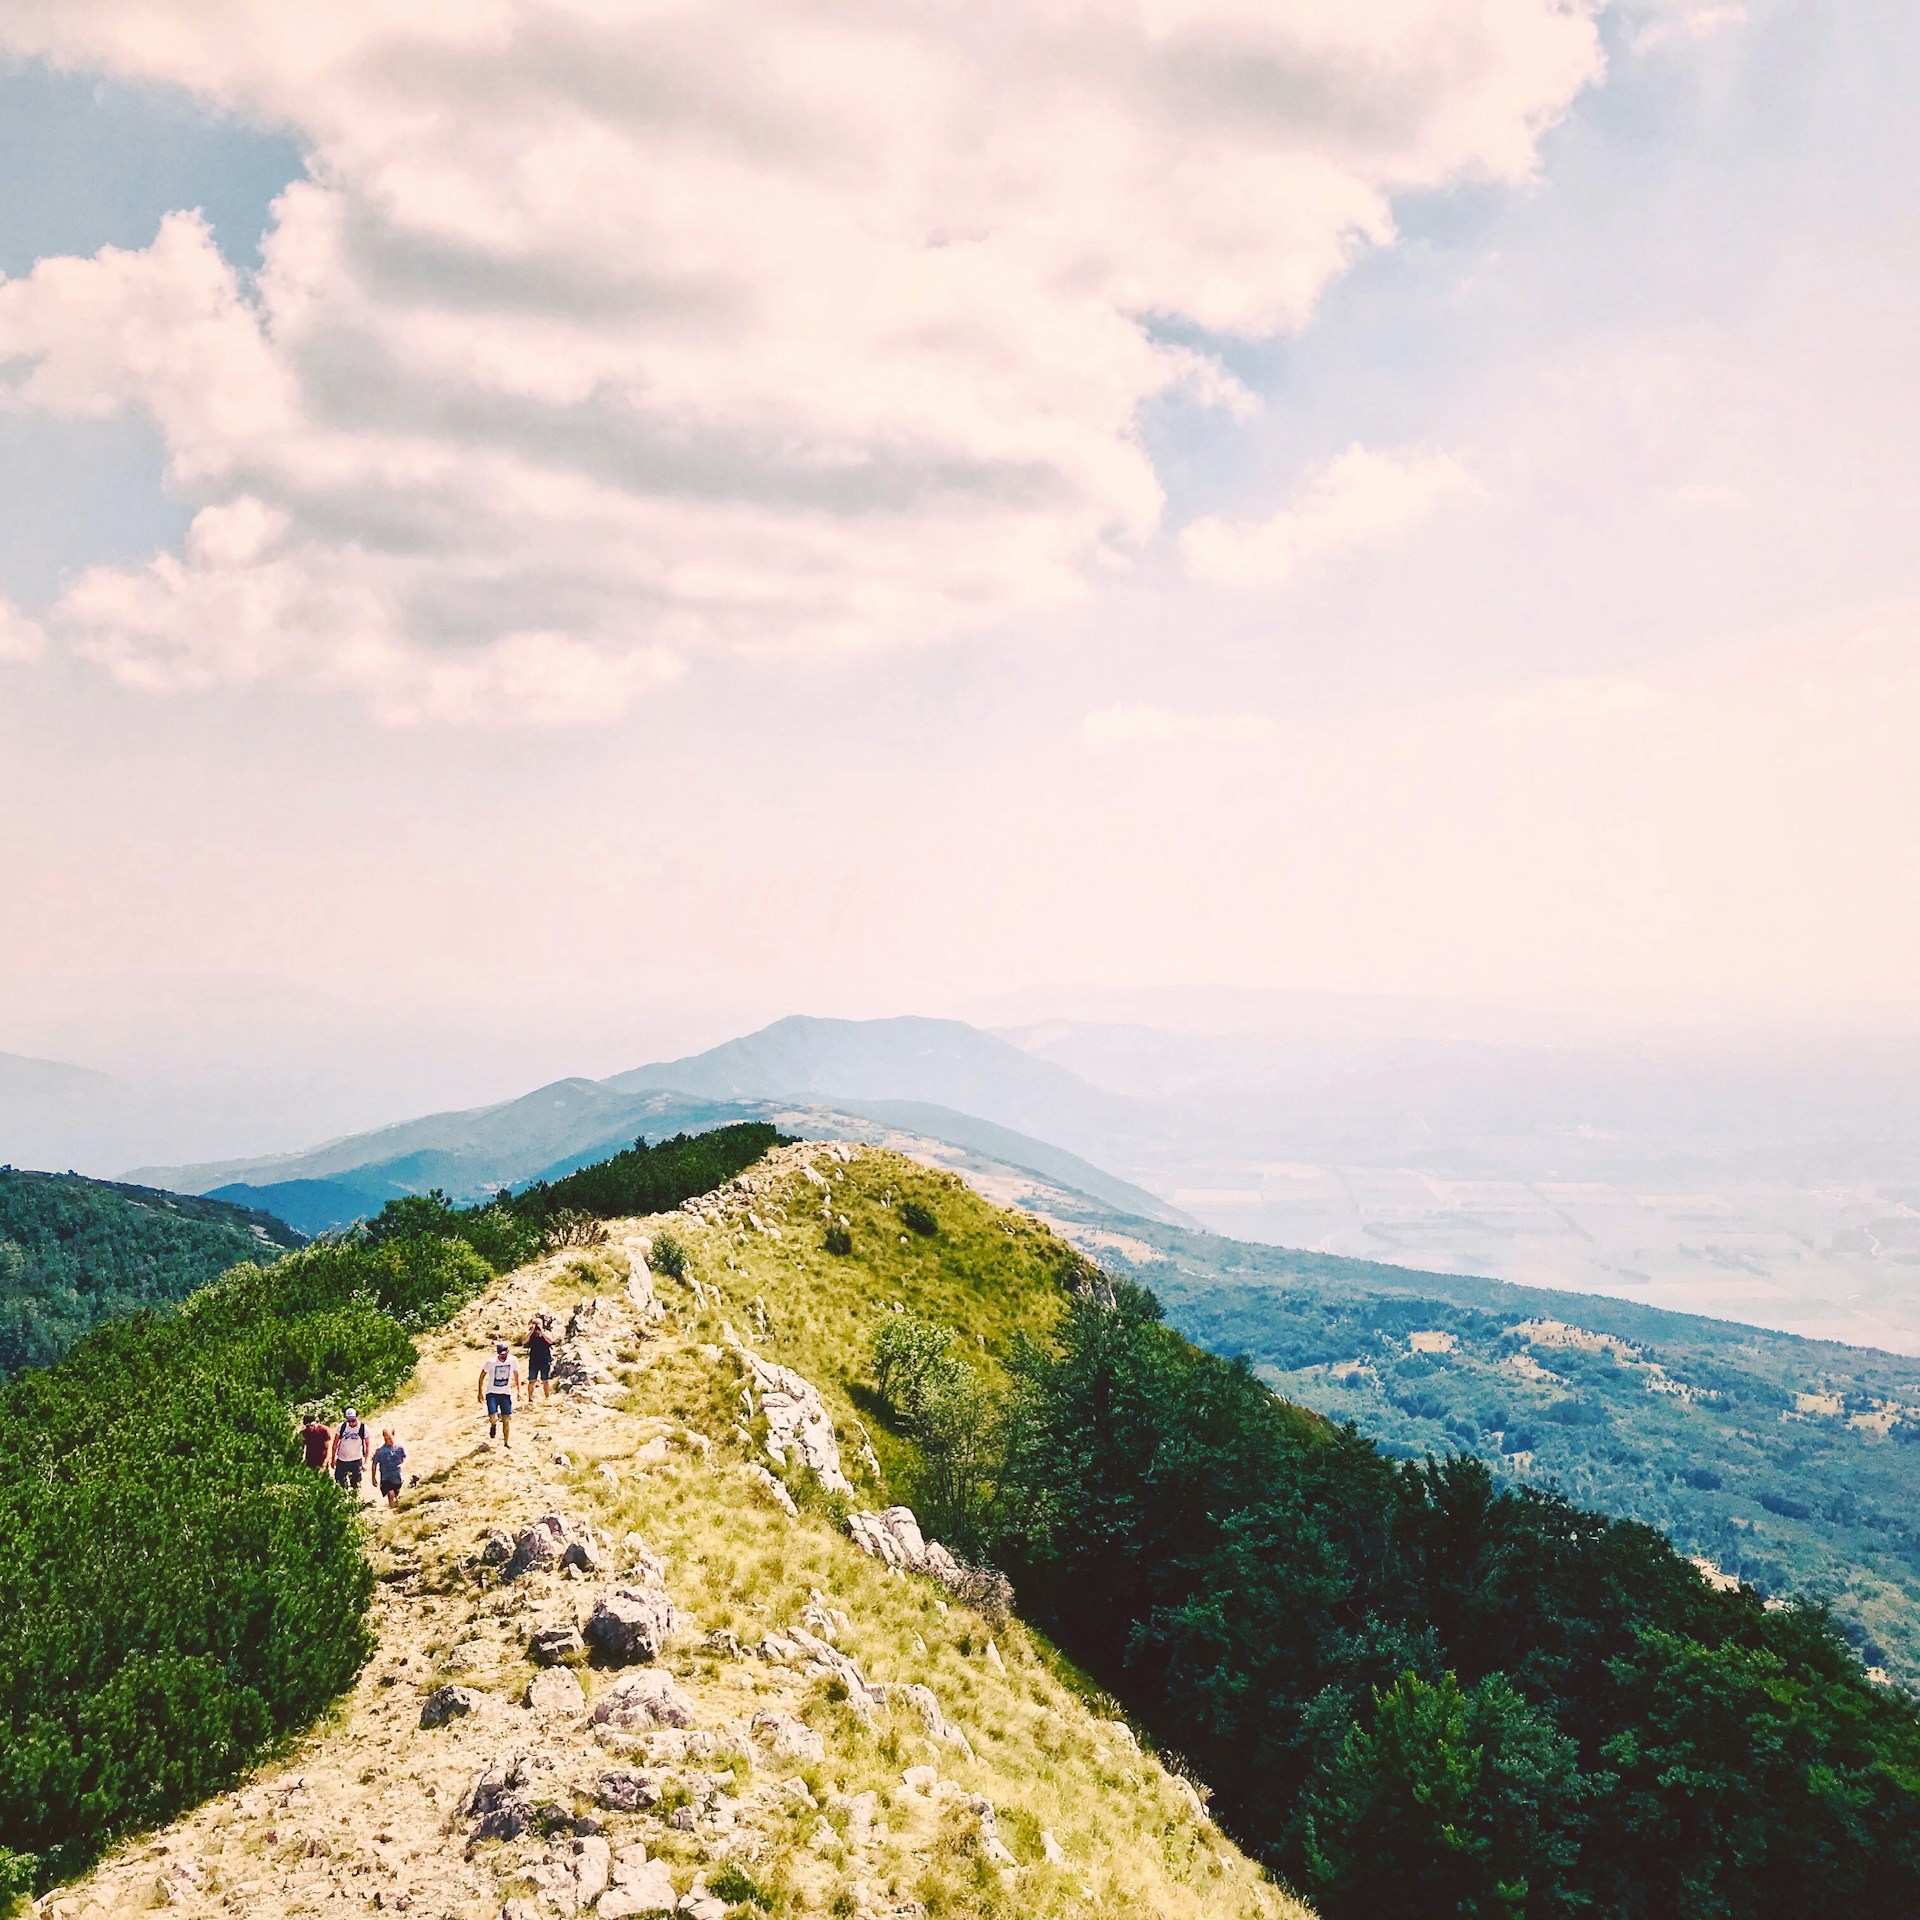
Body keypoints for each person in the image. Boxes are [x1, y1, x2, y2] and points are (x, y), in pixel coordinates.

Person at [478, 1340, 520, 1446]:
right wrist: (480, 1392)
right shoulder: (491, 1362)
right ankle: (493, 1425)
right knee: (494, 1417)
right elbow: (482, 1376)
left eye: (505, 1354)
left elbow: (516, 1374)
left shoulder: (513, 1360)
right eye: (501, 1355)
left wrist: (519, 1391)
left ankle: (506, 1442)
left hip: (505, 1393)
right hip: (492, 1393)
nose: (504, 1357)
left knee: (506, 1419)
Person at [332, 1407, 370, 1494]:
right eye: (349, 1421)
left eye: (353, 1420)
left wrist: (366, 1461)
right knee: (340, 1482)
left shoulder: (363, 1428)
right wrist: (333, 1458)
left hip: (356, 1459)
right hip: (342, 1459)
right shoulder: (341, 1427)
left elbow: (367, 1445)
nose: (351, 1423)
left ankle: (355, 1500)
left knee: (356, 1483)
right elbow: (335, 1444)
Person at [371, 1428, 407, 1508]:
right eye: (386, 1439)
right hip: (386, 1477)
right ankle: (391, 1508)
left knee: (397, 1493)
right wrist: (373, 1477)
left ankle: (396, 1511)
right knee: (390, 1494)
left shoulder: (399, 1448)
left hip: (397, 1476)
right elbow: (374, 1464)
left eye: (390, 1438)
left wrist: (402, 1464)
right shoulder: (380, 1451)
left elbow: (405, 1457)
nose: (388, 1441)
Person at [526, 1313, 555, 1400]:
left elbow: (550, 1341)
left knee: (545, 1380)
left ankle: (547, 1397)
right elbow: (524, 1341)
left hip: (544, 1360)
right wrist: (531, 1332)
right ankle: (530, 1398)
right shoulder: (530, 1335)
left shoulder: (546, 1333)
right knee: (532, 1380)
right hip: (534, 1360)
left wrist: (542, 1333)